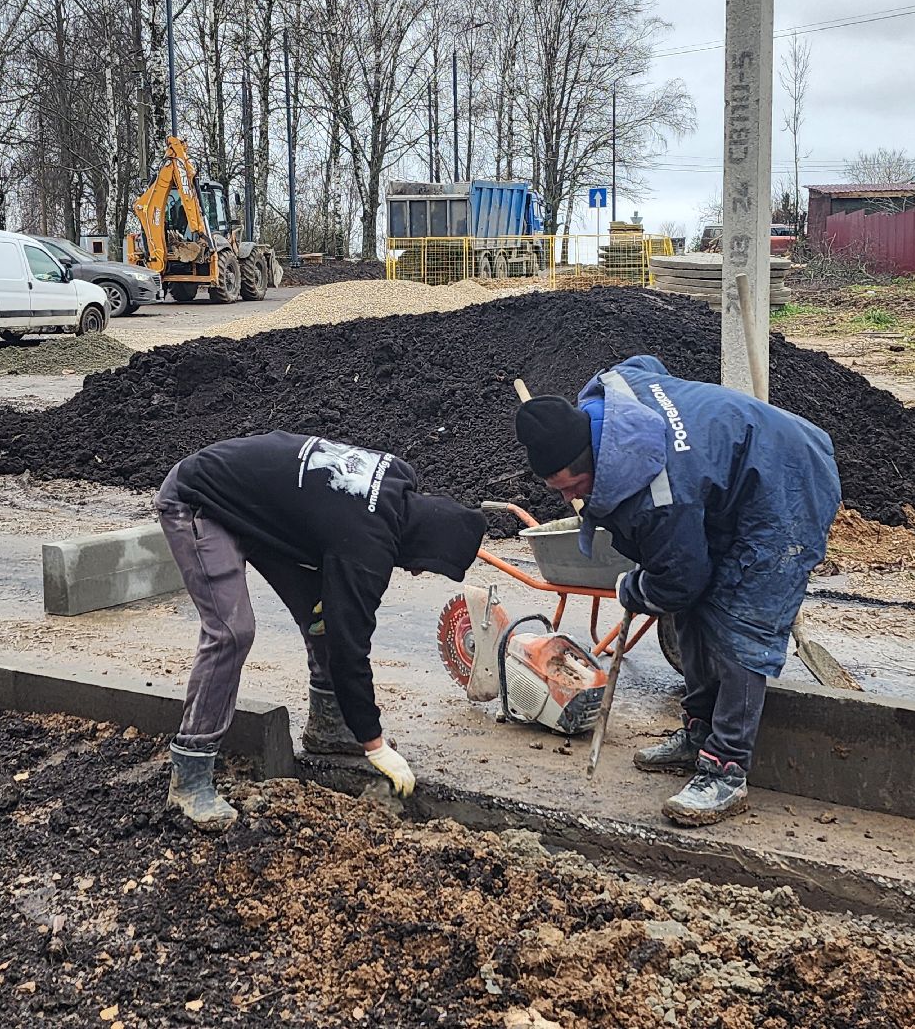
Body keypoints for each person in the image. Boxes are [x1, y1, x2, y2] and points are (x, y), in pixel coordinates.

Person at [514, 356, 840, 826]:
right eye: (558, 490)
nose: (570, 500)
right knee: (690, 613)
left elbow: (679, 580)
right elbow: (646, 364)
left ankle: (726, 769)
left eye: (575, 486)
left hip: (788, 480)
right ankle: (699, 732)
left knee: (744, 626)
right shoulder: (612, 392)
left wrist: (635, 588)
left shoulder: (661, 494)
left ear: (595, 460)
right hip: (727, 479)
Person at [156, 432, 486, 831]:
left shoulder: (399, 475)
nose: (416, 571)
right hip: (201, 499)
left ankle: (330, 726)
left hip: (257, 504)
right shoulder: (367, 546)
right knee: (232, 631)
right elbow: (351, 649)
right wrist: (374, 743)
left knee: (322, 612)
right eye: (425, 565)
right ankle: (190, 778)